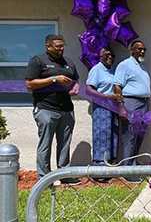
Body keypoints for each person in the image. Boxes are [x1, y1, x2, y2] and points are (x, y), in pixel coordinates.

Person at [25, 34, 80, 184]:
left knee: (64, 144)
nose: (61, 49)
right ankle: (44, 179)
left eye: (63, 46)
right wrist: (54, 79)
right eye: (58, 46)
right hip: (46, 108)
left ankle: (64, 175)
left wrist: (75, 89)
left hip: (67, 109)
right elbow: (29, 84)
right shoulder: (38, 61)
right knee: (45, 144)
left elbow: (75, 82)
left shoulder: (68, 63)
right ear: (48, 46)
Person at [113, 40, 151, 182]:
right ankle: (127, 171)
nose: (142, 51)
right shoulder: (125, 65)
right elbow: (117, 86)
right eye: (139, 49)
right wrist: (121, 107)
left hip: (143, 103)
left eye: (144, 49)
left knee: (139, 136)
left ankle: (133, 165)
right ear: (132, 50)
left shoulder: (142, 66)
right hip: (131, 102)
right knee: (129, 136)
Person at [86, 47, 120, 181]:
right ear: (100, 56)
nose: (110, 57)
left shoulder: (112, 71)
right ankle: (99, 169)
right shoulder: (97, 69)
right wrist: (106, 96)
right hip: (101, 106)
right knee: (102, 134)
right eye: (107, 54)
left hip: (113, 107)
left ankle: (110, 166)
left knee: (113, 135)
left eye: (112, 55)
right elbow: (88, 89)